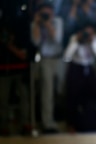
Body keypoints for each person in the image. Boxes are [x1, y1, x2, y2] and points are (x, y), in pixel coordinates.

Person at [63, 22, 96, 132]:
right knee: (72, 98)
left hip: (89, 68)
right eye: (86, 32)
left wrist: (92, 42)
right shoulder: (75, 38)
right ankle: (71, 124)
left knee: (91, 97)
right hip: (76, 68)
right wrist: (77, 41)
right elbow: (67, 56)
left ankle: (91, 123)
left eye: (90, 32)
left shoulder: (94, 38)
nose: (88, 34)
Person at [31, 2, 65, 133]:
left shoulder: (57, 21)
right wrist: (37, 25)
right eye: (43, 13)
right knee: (47, 92)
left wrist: (48, 24)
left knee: (60, 90)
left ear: (52, 12)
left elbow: (57, 39)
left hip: (59, 58)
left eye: (48, 13)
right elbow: (36, 41)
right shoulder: (36, 23)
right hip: (45, 59)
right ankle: (48, 123)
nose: (46, 15)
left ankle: (61, 118)